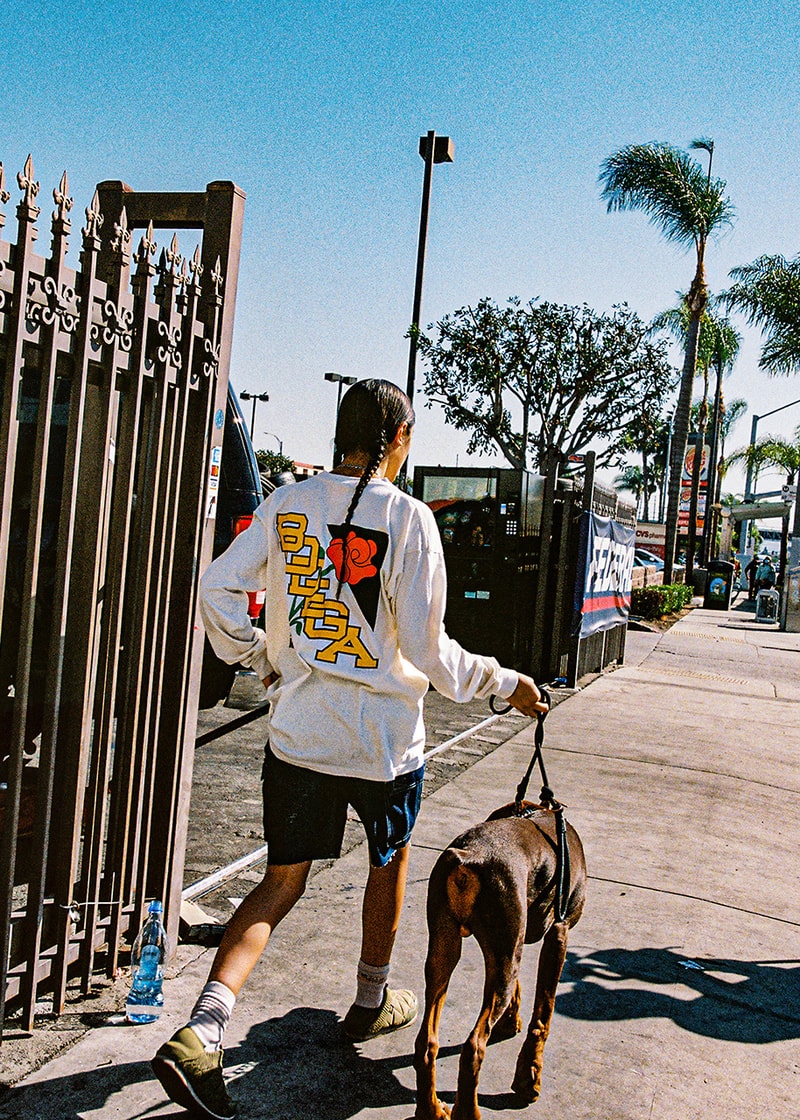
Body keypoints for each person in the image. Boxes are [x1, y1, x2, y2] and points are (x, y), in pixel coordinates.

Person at [151, 379, 546, 1120]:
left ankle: (201, 1032)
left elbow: (216, 588)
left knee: (280, 882)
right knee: (387, 864)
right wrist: (508, 683)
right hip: (386, 748)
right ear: (399, 437)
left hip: (300, 737)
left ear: (343, 436)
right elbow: (433, 654)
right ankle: (369, 999)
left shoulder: (288, 502)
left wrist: (255, 660)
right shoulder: (411, 519)